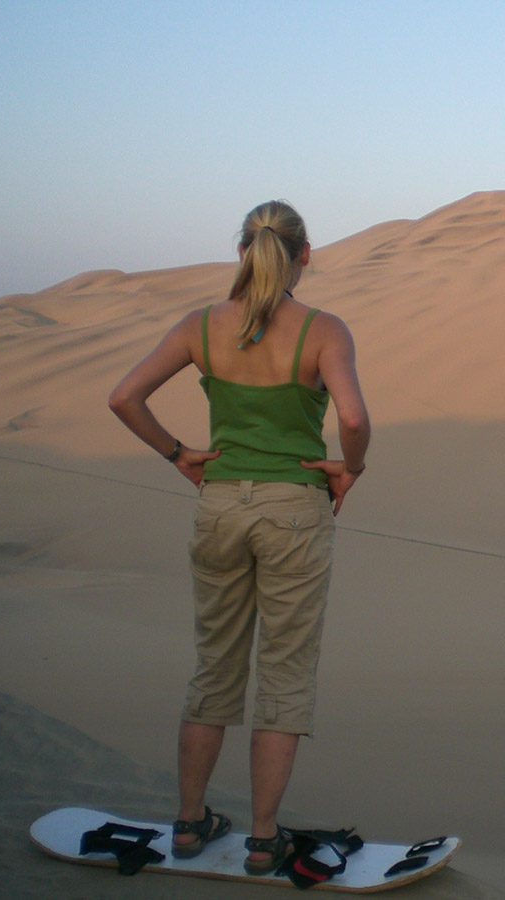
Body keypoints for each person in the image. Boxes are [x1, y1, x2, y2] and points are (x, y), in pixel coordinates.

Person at [109, 200, 370, 874]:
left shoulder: (200, 326)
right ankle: (261, 839)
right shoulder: (323, 330)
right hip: (293, 509)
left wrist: (177, 454)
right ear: (303, 255)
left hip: (219, 504)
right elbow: (352, 415)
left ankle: (190, 825)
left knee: (214, 665)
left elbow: (123, 397)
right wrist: (352, 467)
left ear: (244, 251)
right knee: (283, 673)